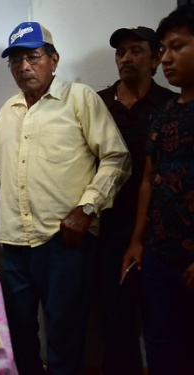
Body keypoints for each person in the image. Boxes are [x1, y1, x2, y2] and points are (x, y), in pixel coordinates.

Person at [0, 22, 131, 375]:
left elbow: (117, 158)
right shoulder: (9, 111)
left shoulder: (80, 98)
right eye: (16, 60)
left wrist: (87, 208)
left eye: (33, 57)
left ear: (53, 60)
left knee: (65, 332)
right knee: (20, 332)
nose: (24, 67)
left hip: (64, 241)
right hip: (13, 242)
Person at [96, 26, 176, 375]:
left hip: (160, 226)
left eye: (136, 51)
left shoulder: (171, 105)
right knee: (114, 316)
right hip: (108, 224)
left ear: (157, 58)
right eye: (121, 52)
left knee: (163, 316)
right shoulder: (97, 103)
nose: (126, 58)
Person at [122, 5, 194, 375]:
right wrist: (137, 241)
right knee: (161, 344)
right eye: (163, 49)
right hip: (159, 254)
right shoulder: (164, 112)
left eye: (176, 47)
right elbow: (150, 179)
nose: (166, 58)